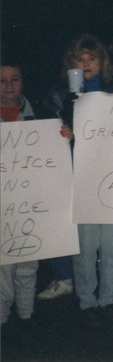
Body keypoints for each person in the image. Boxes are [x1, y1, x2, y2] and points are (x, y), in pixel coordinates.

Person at [47, 34, 113, 313]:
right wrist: (64, 133)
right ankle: (86, 297)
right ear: (71, 62)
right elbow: (48, 136)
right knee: (86, 243)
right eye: (80, 59)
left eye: (91, 58)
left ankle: (109, 295)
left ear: (102, 61)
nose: (86, 64)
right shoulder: (60, 94)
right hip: (79, 177)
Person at [0, 58, 49, 324]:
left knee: (29, 262)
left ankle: (27, 314)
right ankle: (2, 317)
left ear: (23, 82)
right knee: (3, 264)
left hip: (30, 203)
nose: (8, 85)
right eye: (2, 79)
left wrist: (62, 135)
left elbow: (52, 154)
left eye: (14, 79)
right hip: (2, 204)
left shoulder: (40, 115)